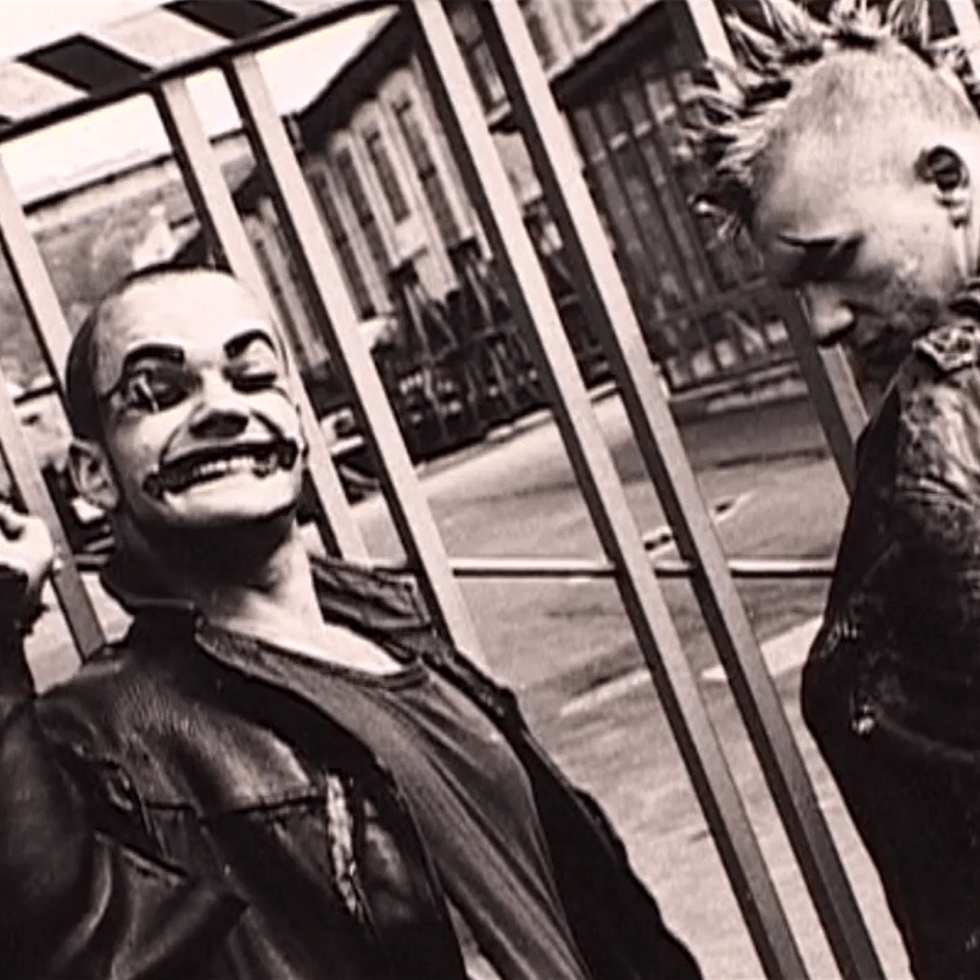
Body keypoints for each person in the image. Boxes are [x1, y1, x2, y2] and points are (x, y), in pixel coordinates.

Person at [0, 263, 701, 980]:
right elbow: (72, 951)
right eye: (159, 392)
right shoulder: (103, 734)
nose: (222, 410)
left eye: (253, 376)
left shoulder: (398, 633)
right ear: (93, 474)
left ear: (301, 424)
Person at [697, 0, 980, 976]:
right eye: (797, 289)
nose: (821, 322)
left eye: (835, 259)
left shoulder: (940, 428)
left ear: (947, 181)